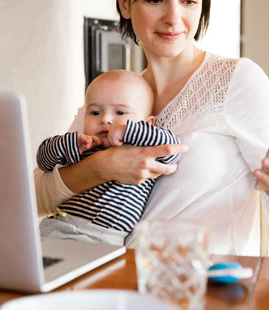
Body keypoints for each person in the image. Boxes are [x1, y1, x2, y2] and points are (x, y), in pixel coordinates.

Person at [34, 0, 269, 255]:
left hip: (202, 288)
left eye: (189, 1)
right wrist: (104, 167)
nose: (174, 18)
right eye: (155, 0)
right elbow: (38, 197)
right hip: (114, 280)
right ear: (125, 3)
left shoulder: (237, 80)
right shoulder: (112, 95)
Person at [37, 70, 181, 247]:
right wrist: (70, 142)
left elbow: (172, 149)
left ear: (148, 123)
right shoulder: (85, 146)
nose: (105, 119)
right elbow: (43, 161)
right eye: (95, 112)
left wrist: (128, 130)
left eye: (120, 112)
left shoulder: (145, 149)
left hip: (104, 239)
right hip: (58, 228)